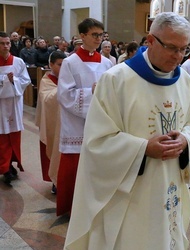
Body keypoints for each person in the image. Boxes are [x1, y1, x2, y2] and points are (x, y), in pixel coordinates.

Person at [64, 12, 190, 249]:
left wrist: (185, 140)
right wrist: (143, 148)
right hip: (132, 192)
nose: (178, 57)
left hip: (171, 185)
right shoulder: (116, 80)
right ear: (150, 40)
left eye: (184, 49)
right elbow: (98, 141)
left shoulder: (184, 81)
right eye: (172, 48)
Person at [57, 18, 113, 216]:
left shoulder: (107, 63)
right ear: (82, 36)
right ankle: (71, 208)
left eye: (101, 35)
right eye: (95, 35)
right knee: (75, 167)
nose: (99, 39)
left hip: (100, 124)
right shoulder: (70, 62)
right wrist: (92, 93)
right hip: (76, 124)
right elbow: (65, 95)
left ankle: (94, 207)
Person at [0, 31, 31, 186]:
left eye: (8, 43)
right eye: (2, 43)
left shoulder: (18, 62)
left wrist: (14, 81)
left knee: (14, 136)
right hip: (0, 107)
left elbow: (26, 81)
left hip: (13, 104)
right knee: (2, 138)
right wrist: (5, 82)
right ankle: (4, 168)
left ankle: (11, 165)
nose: (6, 46)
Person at [35, 51, 66, 194]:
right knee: (54, 150)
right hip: (52, 123)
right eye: (60, 65)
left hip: (67, 123)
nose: (63, 68)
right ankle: (55, 181)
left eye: (65, 65)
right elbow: (46, 99)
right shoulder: (46, 80)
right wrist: (63, 90)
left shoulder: (68, 79)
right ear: (51, 64)